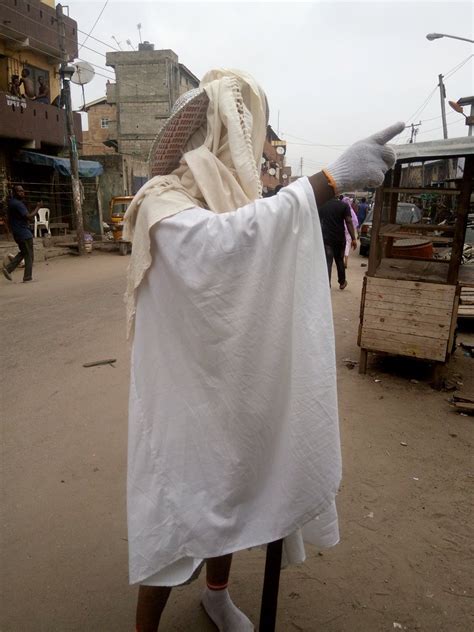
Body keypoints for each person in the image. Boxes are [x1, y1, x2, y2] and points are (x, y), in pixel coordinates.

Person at [123, 68, 404, 632]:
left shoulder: (231, 195)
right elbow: (224, 247)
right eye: (237, 128)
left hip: (233, 383)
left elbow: (253, 241)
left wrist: (315, 190)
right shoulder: (162, 200)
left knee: (234, 480)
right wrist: (327, 179)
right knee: (177, 504)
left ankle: (217, 596)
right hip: (183, 392)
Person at [2, 186, 42, 283]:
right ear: (15, 193)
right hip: (23, 233)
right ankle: (27, 277)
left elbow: (24, 217)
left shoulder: (12, 202)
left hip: (18, 232)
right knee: (29, 255)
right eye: (19, 191)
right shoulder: (17, 204)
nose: (22, 193)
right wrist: (38, 207)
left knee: (24, 252)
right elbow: (28, 216)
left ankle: (8, 269)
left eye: (23, 191)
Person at [319, 195, 357, 289]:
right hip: (339, 239)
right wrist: (353, 238)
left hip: (326, 238)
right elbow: (348, 221)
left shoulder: (322, 206)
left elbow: (318, 222)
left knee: (328, 261)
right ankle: (342, 282)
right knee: (339, 260)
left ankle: (327, 285)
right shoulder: (343, 206)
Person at [342, 196, 359, 268]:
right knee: (347, 245)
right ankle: (346, 261)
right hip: (349, 231)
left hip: (342, 230)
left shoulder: (342, 209)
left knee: (342, 245)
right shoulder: (351, 211)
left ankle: (342, 261)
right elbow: (355, 222)